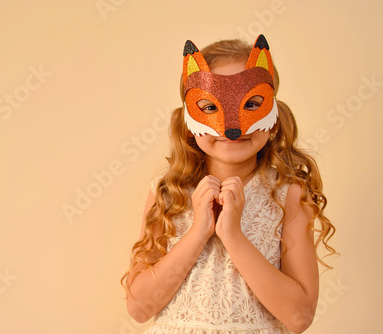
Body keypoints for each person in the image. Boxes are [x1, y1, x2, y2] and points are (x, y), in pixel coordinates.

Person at [120, 35, 336, 334]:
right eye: (210, 107)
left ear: (272, 118)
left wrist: (233, 235)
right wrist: (198, 232)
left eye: (252, 104)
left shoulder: (289, 196)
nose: (232, 128)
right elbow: (139, 309)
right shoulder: (168, 193)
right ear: (188, 121)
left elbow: (299, 319)